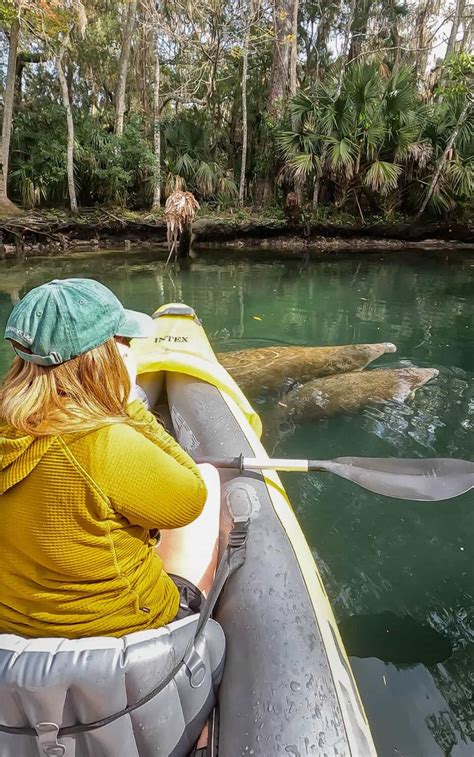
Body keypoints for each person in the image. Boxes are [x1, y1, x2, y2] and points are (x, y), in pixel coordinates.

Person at [0, 278, 220, 640]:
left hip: (16, 633)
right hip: (124, 629)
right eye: (125, 342)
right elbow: (190, 500)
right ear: (104, 357)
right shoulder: (105, 442)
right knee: (207, 478)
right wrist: (129, 402)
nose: (130, 349)